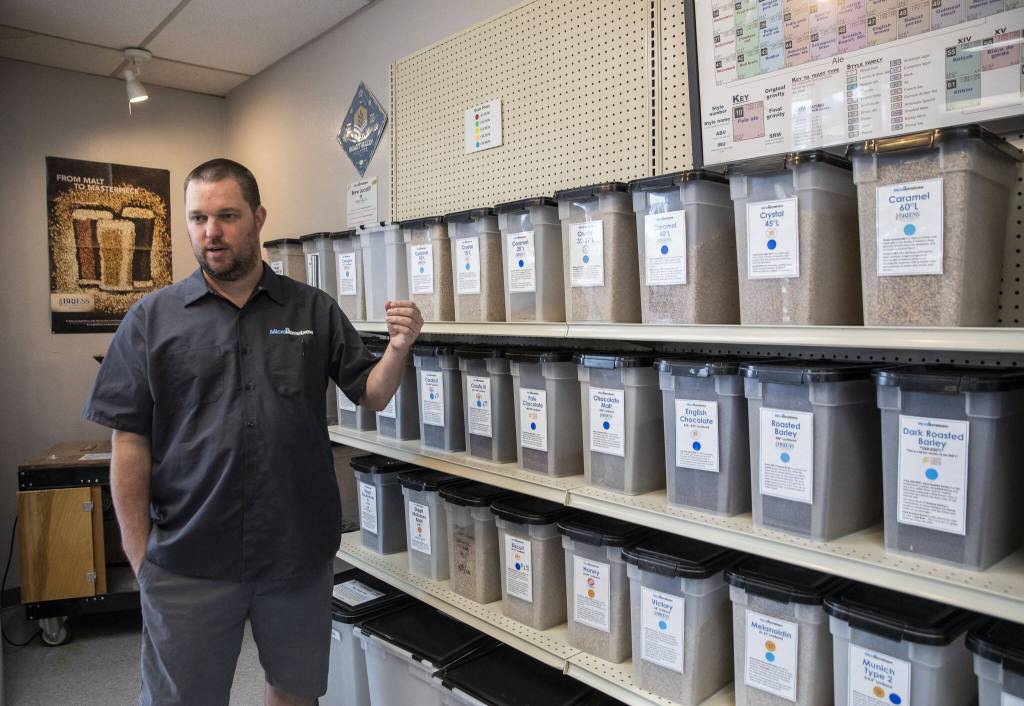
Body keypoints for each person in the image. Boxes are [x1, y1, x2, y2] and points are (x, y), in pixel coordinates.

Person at [83, 158, 423, 706]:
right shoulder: (151, 320)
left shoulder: (312, 308)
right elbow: (129, 444)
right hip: (188, 557)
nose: (210, 232)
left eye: (226, 215)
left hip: (295, 554)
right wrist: (140, 557)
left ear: (258, 218)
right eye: (197, 218)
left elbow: (373, 393)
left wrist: (400, 350)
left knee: (295, 692)